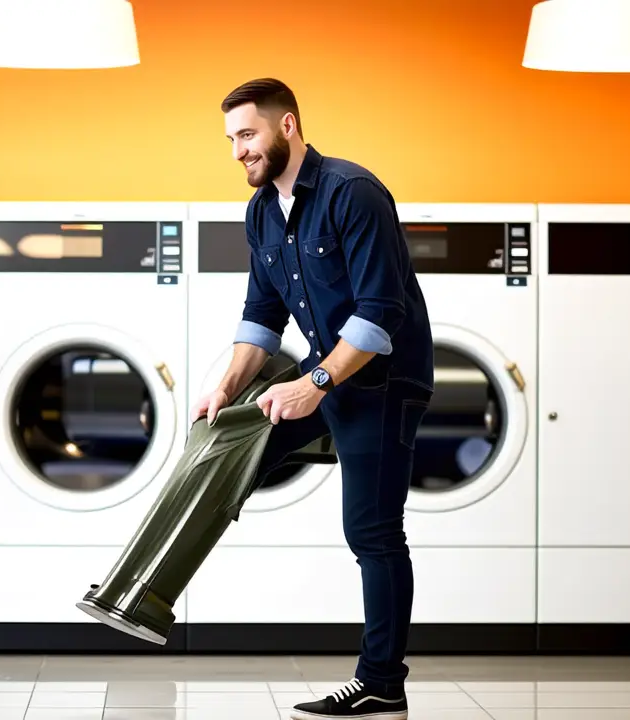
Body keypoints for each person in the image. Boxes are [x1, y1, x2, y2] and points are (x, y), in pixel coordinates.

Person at [191, 77, 435, 720]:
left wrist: (313, 385)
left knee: (372, 531)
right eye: (231, 139)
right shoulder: (261, 212)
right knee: (228, 445)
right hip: (325, 373)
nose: (238, 150)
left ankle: (382, 683)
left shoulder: (352, 193)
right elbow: (260, 315)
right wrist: (223, 388)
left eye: (247, 134)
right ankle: (144, 595)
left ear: (288, 126)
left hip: (383, 381)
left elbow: (381, 314)